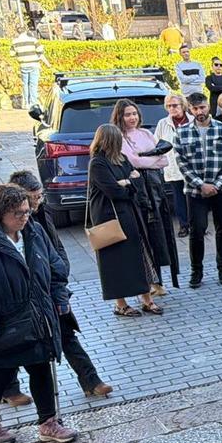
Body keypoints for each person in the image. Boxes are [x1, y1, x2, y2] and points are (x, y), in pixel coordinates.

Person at [6, 171, 112, 398]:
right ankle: (9, 389)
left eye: (39, 196)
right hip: (19, 298)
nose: (37, 202)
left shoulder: (41, 215)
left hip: (47, 289)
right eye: (33, 198)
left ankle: (90, 379)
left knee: (65, 333)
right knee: (12, 344)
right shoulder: (11, 223)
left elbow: (55, 248)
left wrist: (60, 281)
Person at [0, 184, 79, 443]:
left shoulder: (34, 232)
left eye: (27, 211)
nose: (24, 217)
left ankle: (48, 422)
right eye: (18, 213)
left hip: (39, 314)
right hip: (7, 317)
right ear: (0, 213)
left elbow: (55, 267)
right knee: (1, 375)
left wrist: (60, 298)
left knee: (41, 367)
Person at [87, 124, 164, 317]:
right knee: (116, 261)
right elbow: (114, 191)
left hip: (130, 215)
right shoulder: (98, 163)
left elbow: (137, 181)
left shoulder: (122, 159)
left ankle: (147, 299)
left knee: (140, 257)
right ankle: (120, 304)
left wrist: (127, 183)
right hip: (109, 219)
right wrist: (128, 183)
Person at [114, 98, 177, 296]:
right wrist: (148, 158)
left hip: (156, 189)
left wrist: (144, 158)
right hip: (138, 191)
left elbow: (164, 159)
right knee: (143, 234)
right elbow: (132, 161)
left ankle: (159, 281)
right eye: (127, 114)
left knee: (158, 233)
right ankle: (147, 282)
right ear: (120, 117)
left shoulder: (145, 133)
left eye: (134, 114)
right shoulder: (119, 137)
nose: (132, 118)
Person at [174, 92, 222, 288]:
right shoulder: (181, 132)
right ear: (189, 109)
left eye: (202, 107)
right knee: (197, 230)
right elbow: (181, 162)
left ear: (208, 107)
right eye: (194, 109)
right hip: (195, 192)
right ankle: (196, 271)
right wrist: (200, 184)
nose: (199, 112)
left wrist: (216, 184)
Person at [155, 93, 191, 238]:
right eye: (169, 106)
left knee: (194, 197)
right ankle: (184, 225)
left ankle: (197, 224)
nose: (172, 108)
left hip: (193, 166)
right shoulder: (163, 123)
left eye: (175, 105)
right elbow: (156, 143)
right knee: (178, 197)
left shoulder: (193, 120)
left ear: (182, 105)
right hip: (173, 167)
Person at [12, 29, 49, 110]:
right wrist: (47, 64)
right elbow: (40, 51)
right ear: (25, 31)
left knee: (25, 84)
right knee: (33, 84)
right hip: (34, 65)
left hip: (23, 65)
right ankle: (33, 103)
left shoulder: (15, 42)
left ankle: (26, 103)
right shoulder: (33, 40)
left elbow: (12, 54)